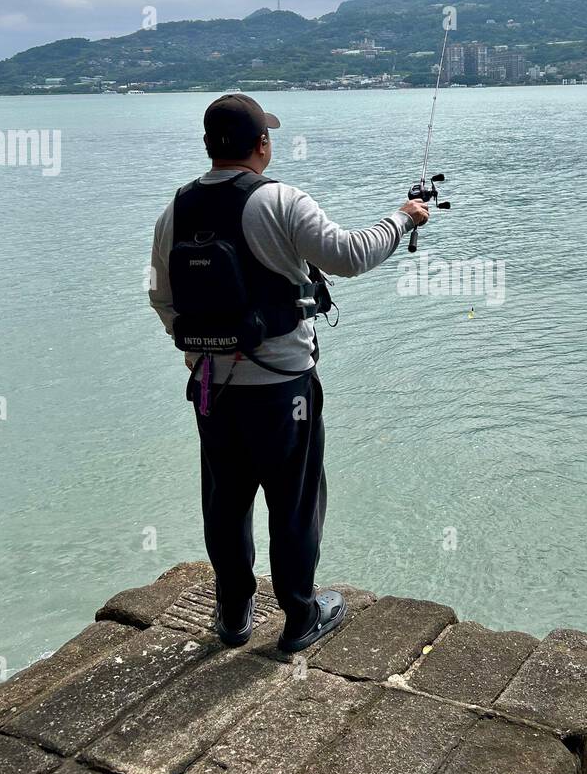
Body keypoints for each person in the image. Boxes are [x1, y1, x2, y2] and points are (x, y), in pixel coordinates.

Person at [148, 94, 429, 653]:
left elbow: (161, 297)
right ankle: (300, 618)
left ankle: (232, 615)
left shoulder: (175, 210)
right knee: (294, 501)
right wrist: (404, 216)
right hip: (284, 390)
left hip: (213, 391)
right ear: (262, 146)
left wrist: (199, 354)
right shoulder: (280, 201)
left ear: (209, 146)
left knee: (225, 501)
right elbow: (348, 256)